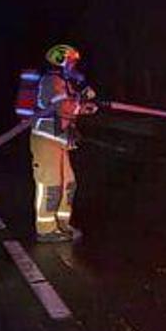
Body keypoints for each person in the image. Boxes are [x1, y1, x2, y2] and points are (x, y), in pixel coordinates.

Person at [31, 43, 97, 242]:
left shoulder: (64, 82)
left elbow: (85, 97)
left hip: (60, 140)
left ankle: (63, 224)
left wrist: (84, 89)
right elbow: (63, 107)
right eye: (71, 62)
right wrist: (83, 108)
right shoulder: (51, 81)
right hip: (45, 139)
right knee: (51, 184)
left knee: (69, 184)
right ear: (60, 61)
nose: (74, 66)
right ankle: (45, 229)